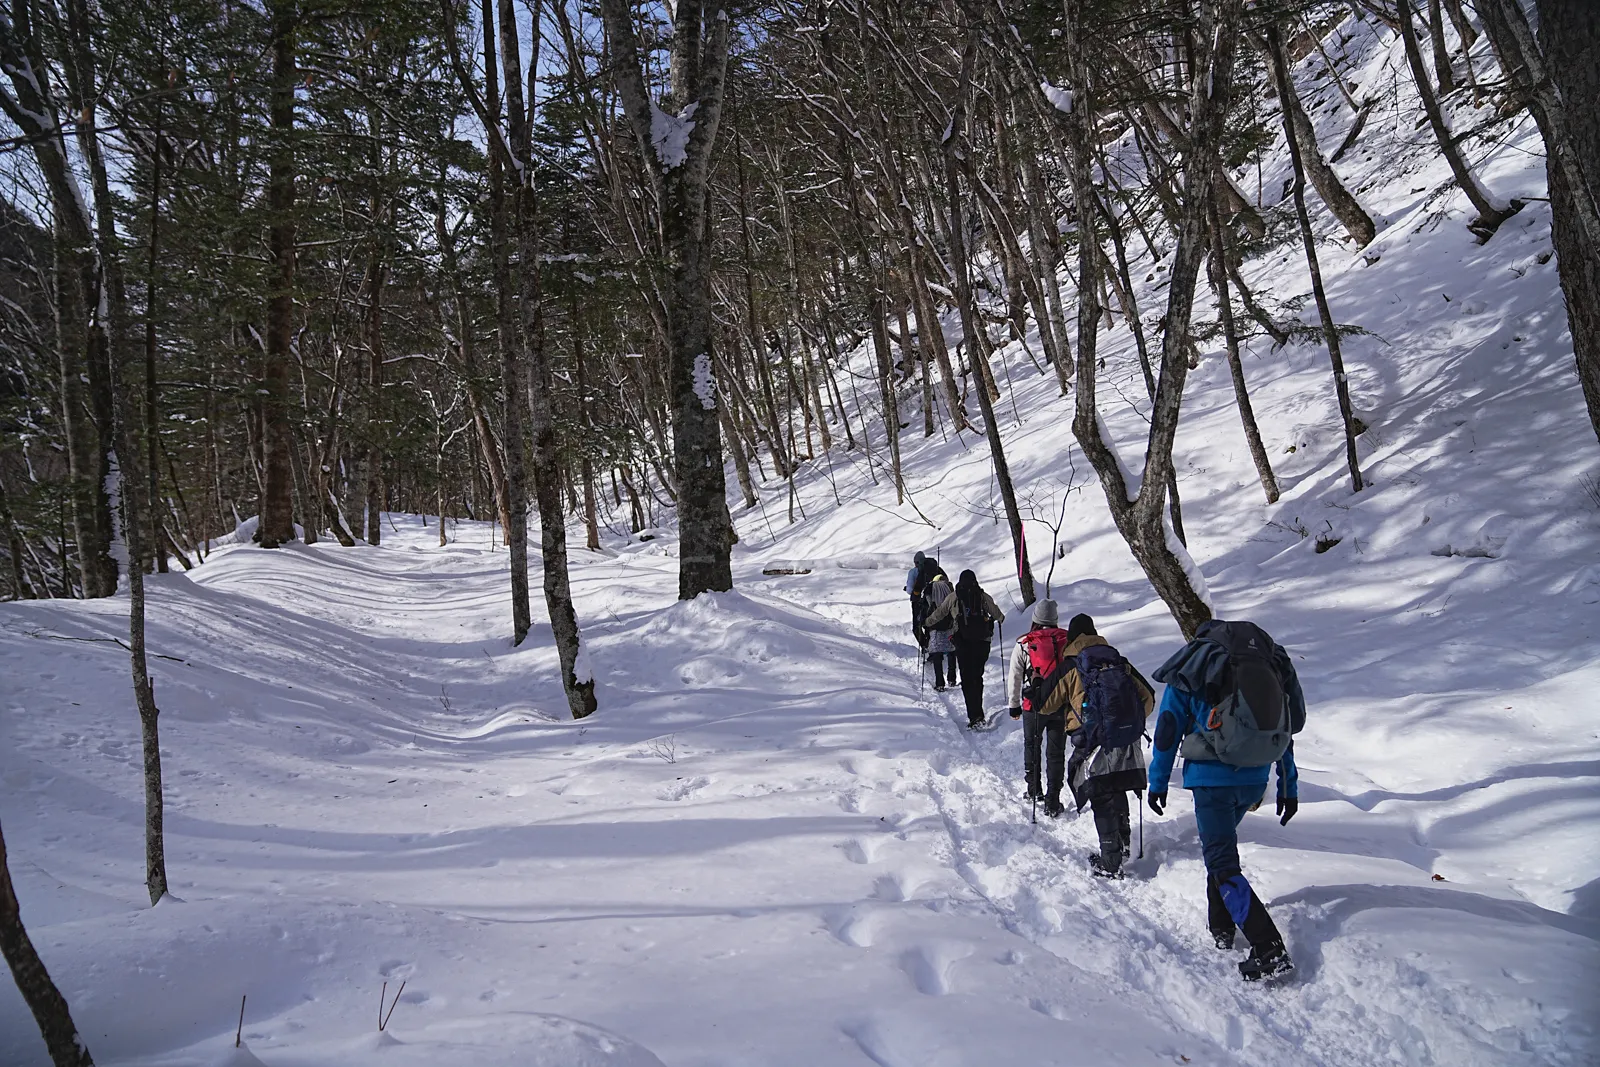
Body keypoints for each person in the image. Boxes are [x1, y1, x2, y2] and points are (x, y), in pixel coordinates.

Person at [1147, 619, 1305, 981]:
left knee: (1221, 861)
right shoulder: (1266, 666)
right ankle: (1221, 927)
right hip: (1254, 776)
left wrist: (1157, 782)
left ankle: (1268, 947)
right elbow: (1285, 730)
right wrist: (1287, 787)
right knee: (1218, 850)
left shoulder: (1195, 665)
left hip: (1211, 780)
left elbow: (1169, 728)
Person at [1032, 614, 1155, 877]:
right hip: (1125, 738)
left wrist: (1037, 689)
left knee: (1101, 793)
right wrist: (1127, 722)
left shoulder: (1071, 665)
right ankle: (1122, 845)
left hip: (1093, 740)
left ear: (1073, 638)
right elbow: (1149, 697)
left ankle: (1110, 863)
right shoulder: (1118, 661)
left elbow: (1045, 705)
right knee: (1118, 785)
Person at [1005, 599, 1072, 815]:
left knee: (1032, 746)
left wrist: (1014, 705)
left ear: (1035, 618)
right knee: (1056, 753)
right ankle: (1053, 801)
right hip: (1059, 705)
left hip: (1032, 705)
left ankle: (1034, 790)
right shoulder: (1067, 641)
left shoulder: (1025, 643)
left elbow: (1015, 676)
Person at [925, 570, 1004, 727]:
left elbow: (940, 612)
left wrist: (927, 622)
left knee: (967, 679)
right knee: (977, 676)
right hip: (982, 642)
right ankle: (979, 713)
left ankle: (974, 716)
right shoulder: (981, 596)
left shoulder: (955, 596)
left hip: (962, 642)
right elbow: (998, 615)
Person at [922, 573, 958, 691]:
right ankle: (952, 679)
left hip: (934, 625)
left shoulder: (930, 589)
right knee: (952, 651)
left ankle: (940, 683)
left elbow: (924, 607)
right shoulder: (950, 591)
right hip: (949, 624)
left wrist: (924, 621)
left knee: (937, 653)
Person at [903, 551, 945, 650]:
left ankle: (925, 646)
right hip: (936, 601)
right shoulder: (938, 570)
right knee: (929, 624)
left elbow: (910, 590)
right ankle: (933, 646)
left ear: (916, 562)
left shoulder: (913, 572)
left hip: (918, 602)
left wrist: (910, 591)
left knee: (917, 627)